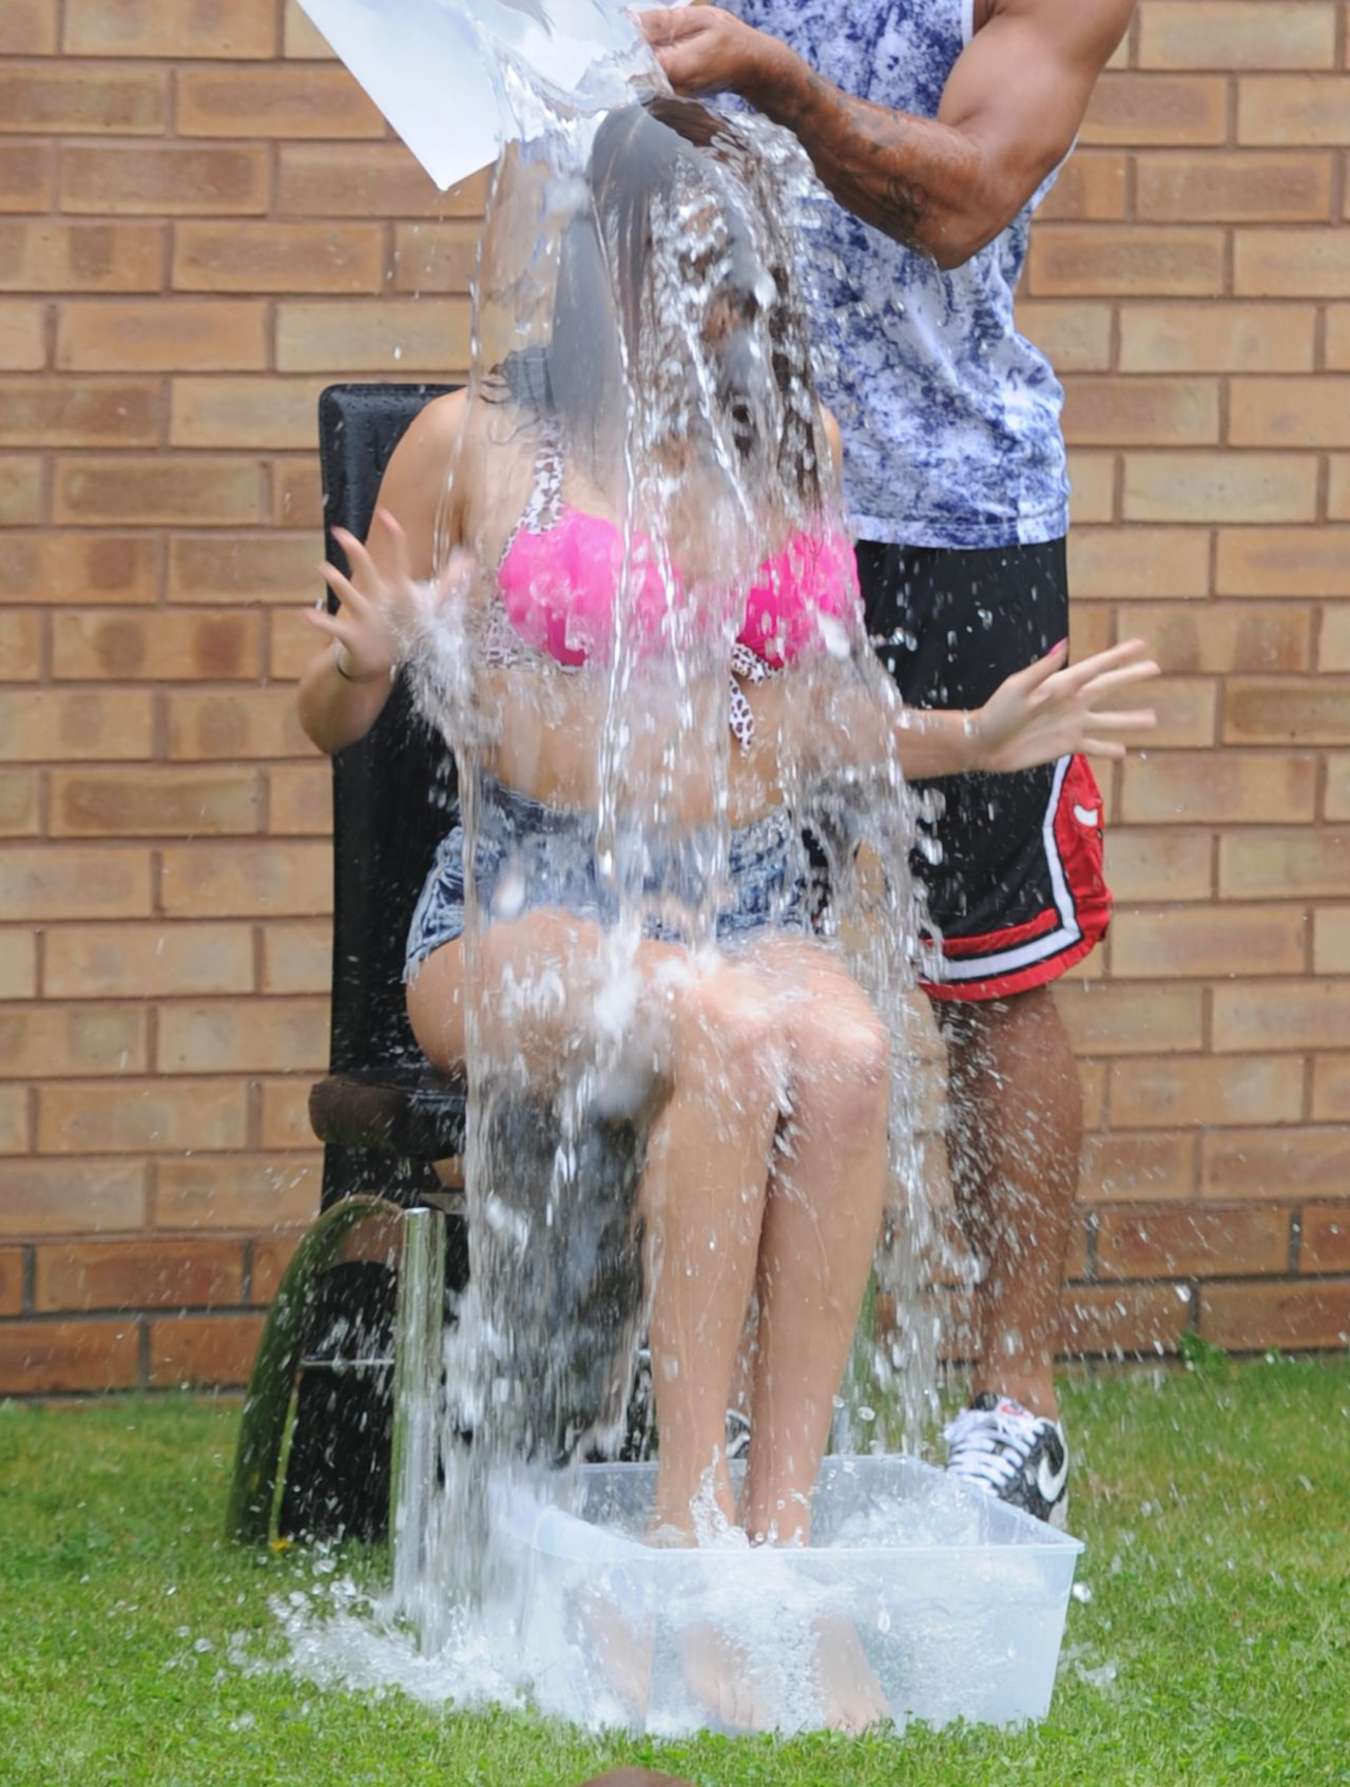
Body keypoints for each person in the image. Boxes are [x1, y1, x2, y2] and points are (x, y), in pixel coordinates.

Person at [296, 96, 1152, 1726]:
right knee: (726, 1024)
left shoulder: (789, 459)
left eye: (743, 270)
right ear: (602, 265)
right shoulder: (476, 445)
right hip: (521, 904)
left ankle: (778, 1550)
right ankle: (679, 1557)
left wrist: (966, 741)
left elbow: (820, 720)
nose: (722, 306)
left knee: (832, 1047)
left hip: (743, 898)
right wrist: (363, 659)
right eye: (690, 266)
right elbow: (324, 723)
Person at [640, 0, 1136, 1527]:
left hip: (953, 506)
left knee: (989, 965)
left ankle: (1012, 1400)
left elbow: (965, 196)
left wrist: (774, 84)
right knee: (710, 928)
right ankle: (690, 1406)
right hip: (721, 484)